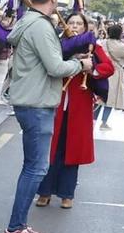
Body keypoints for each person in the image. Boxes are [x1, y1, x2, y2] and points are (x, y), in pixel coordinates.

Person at [1, 0, 95, 233]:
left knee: (32, 167)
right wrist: (81, 65)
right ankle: (15, 228)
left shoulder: (29, 22)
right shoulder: (41, 28)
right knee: (35, 168)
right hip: (37, 103)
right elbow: (55, 67)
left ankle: (18, 225)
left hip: (30, 100)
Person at [36, 11, 115, 209]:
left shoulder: (93, 47)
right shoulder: (57, 45)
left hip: (79, 106)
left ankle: (66, 194)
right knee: (50, 149)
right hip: (56, 101)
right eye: (71, 22)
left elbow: (108, 67)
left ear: (85, 27)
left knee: (72, 151)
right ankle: (44, 192)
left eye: (79, 23)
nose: (75, 26)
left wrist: (91, 67)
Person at [99, 22, 124, 128]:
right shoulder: (121, 46)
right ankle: (104, 122)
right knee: (110, 99)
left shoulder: (102, 42)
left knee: (99, 97)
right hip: (115, 72)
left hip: (102, 71)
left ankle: (93, 120)